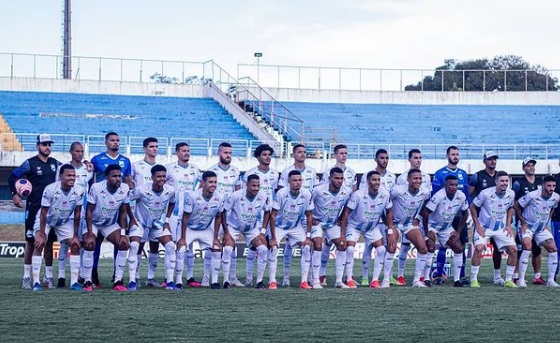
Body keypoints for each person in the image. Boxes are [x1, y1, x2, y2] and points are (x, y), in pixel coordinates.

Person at [7, 134, 62, 289]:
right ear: (37, 145)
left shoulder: (55, 164)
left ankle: (48, 277)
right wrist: (15, 194)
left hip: (50, 211)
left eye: (49, 144)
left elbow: (69, 169)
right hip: (33, 209)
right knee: (31, 243)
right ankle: (26, 277)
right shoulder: (29, 163)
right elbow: (12, 177)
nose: (47, 147)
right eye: (44, 144)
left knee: (49, 243)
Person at [89, 131, 132, 288]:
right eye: (112, 140)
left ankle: (117, 275)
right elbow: (88, 178)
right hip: (97, 207)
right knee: (94, 244)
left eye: (117, 140)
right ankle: (91, 275)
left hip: (114, 209)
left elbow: (128, 180)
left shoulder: (125, 161)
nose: (115, 142)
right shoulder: (96, 159)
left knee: (119, 242)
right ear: (106, 142)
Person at [31, 164, 84, 291]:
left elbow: (77, 214)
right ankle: (36, 282)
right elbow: (43, 213)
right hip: (47, 220)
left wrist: (76, 235)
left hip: (63, 221)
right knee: (40, 243)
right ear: (61, 176)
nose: (72, 178)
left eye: (74, 176)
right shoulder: (50, 189)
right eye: (69, 175)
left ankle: (74, 282)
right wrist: (42, 233)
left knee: (75, 244)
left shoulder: (79, 190)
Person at [341, 170, 398, 289]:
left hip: (371, 227)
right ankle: (349, 278)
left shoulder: (385, 194)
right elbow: (346, 213)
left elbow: (389, 212)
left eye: (378, 180)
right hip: (354, 226)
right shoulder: (358, 194)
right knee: (350, 249)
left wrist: (390, 230)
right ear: (368, 181)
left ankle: (375, 280)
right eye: (374, 180)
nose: (376, 182)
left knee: (382, 250)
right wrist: (342, 233)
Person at [128, 164, 177, 290]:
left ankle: (168, 281)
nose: (161, 179)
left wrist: (166, 220)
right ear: (152, 177)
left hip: (157, 223)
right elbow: (125, 200)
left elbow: (172, 202)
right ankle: (133, 280)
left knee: (171, 246)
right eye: (159, 176)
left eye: (163, 176)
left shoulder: (170, 190)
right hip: (140, 222)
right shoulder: (141, 190)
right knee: (134, 246)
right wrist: (132, 219)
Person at [82, 164, 131, 292]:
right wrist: (91, 232)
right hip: (93, 222)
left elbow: (123, 212)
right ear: (106, 178)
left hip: (109, 223)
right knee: (90, 243)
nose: (118, 179)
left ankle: (118, 281)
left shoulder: (125, 188)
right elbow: (89, 211)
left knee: (123, 243)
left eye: (119, 176)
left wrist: (123, 232)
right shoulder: (96, 187)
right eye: (114, 176)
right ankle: (87, 280)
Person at [176, 171, 226, 289]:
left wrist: (215, 238)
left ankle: (214, 282)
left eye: (215, 182)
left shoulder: (219, 197)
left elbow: (219, 216)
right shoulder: (193, 196)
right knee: (181, 249)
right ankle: (178, 281)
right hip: (189, 228)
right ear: (203, 183)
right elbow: (185, 217)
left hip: (205, 229)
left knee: (217, 248)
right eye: (210, 182)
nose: (213, 185)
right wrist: (182, 238)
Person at [278, 144, 319, 287]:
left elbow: (314, 193)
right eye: (299, 152)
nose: (302, 154)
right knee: (288, 246)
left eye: (304, 152)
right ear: (293, 154)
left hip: (304, 212)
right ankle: (285, 277)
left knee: (308, 245)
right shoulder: (286, 171)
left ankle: (308, 278)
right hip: (288, 214)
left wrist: (311, 214)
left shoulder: (312, 172)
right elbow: (282, 193)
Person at [221, 174, 271, 289]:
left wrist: (263, 231)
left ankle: (259, 282)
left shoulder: (263, 196)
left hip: (251, 229)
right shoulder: (235, 196)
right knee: (228, 249)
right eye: (253, 185)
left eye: (258, 186)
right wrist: (226, 232)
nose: (256, 188)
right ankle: (226, 281)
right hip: (233, 227)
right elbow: (223, 211)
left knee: (263, 249)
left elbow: (267, 211)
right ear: (246, 185)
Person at [469, 171, 518, 288]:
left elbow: (510, 208)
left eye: (506, 181)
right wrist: (478, 226)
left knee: (513, 249)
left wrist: (508, 225)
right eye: (502, 181)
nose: (504, 183)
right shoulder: (485, 193)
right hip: (485, 228)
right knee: (479, 248)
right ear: (496, 181)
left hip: (500, 228)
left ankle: (508, 280)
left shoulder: (511, 194)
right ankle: (473, 279)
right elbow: (473, 207)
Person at [358, 149, 398, 286]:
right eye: (382, 158)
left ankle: (389, 276)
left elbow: (391, 198)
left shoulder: (392, 177)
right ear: (376, 159)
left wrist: (390, 222)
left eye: (387, 158)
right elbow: (364, 195)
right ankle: (364, 277)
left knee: (388, 246)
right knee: (369, 247)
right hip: (372, 218)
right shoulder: (367, 176)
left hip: (385, 218)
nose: (384, 160)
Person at [268, 170, 314, 290]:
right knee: (273, 248)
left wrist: (308, 237)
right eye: (294, 180)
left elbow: (309, 215)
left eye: (300, 180)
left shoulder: (307, 194)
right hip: (279, 226)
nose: (297, 183)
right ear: (288, 182)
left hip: (295, 226)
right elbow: (272, 216)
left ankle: (304, 281)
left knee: (307, 247)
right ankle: (272, 281)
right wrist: (273, 238)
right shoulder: (281, 193)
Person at [166, 142, 203, 288]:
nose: (186, 153)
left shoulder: (195, 169)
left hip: (189, 212)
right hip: (174, 212)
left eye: (188, 151)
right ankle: (168, 277)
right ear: (177, 153)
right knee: (174, 245)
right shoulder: (170, 168)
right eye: (183, 151)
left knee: (189, 246)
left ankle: (190, 277)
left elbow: (203, 182)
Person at [431, 146, 470, 284]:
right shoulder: (439, 173)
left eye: (457, 154)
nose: (455, 156)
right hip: (444, 215)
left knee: (461, 243)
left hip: (459, 214)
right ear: (447, 156)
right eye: (453, 154)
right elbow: (434, 195)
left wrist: (468, 213)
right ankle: (439, 275)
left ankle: (461, 275)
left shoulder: (463, 174)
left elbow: (466, 194)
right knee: (443, 244)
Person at [421, 175, 469, 287]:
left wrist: (457, 232)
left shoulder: (461, 196)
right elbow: (425, 213)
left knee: (458, 248)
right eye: (451, 185)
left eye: (456, 185)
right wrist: (427, 231)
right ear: (445, 185)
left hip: (446, 228)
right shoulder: (439, 196)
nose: (454, 187)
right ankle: (426, 278)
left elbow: (465, 213)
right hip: (431, 226)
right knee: (431, 247)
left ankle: (457, 280)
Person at [206, 142, 243, 287]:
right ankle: (206, 277)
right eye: (225, 152)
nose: (228, 155)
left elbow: (239, 193)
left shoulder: (235, 171)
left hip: (230, 214)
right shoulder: (212, 171)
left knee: (230, 245)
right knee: (212, 245)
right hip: (215, 213)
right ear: (218, 153)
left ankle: (232, 277)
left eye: (230, 153)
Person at [242, 144, 279, 286]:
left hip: (269, 214)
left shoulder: (275, 174)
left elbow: (275, 193)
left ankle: (270, 279)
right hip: (254, 214)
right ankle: (250, 278)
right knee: (254, 246)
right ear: (258, 157)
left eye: (269, 154)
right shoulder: (250, 173)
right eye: (264, 154)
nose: (267, 157)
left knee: (270, 246)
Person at [394, 149, 432, 286]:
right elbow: (397, 199)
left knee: (422, 246)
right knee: (404, 246)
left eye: (420, 158)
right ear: (409, 160)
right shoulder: (402, 178)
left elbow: (425, 199)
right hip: (400, 219)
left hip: (416, 218)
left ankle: (420, 278)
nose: (418, 160)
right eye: (415, 158)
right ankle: (400, 275)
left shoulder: (426, 177)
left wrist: (418, 215)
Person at [513, 175, 559, 287]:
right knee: (527, 247)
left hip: (541, 228)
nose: (551, 188)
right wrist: (523, 222)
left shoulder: (556, 197)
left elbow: (552, 208)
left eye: (553, 186)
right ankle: (521, 280)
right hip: (527, 227)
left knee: (553, 248)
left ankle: (551, 280)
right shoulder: (532, 196)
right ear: (543, 186)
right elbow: (516, 206)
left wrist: (546, 222)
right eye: (549, 186)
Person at [311, 167, 352, 288]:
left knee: (342, 245)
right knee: (318, 245)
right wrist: (310, 218)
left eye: (341, 178)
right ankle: (316, 281)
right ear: (329, 178)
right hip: (317, 222)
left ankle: (339, 281)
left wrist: (341, 221)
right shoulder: (318, 190)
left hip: (332, 224)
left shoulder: (347, 191)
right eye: (336, 178)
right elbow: (306, 203)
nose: (339, 181)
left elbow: (346, 209)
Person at [131, 137, 163, 288]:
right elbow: (129, 183)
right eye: (151, 146)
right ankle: (135, 276)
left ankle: (151, 277)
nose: (154, 149)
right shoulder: (136, 166)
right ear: (144, 148)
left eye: (156, 146)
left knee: (155, 245)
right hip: (140, 212)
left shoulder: (162, 167)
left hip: (156, 213)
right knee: (139, 245)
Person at [469, 151, 505, 285]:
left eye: (495, 159)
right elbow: (469, 195)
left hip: (497, 220)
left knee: (498, 249)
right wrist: (474, 217)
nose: (493, 161)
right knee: (479, 248)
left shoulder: (501, 176)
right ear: (484, 161)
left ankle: (497, 277)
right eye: (490, 159)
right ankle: (473, 278)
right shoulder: (477, 176)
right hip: (482, 220)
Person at [512, 157, 544, 285]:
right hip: (523, 222)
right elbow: (513, 202)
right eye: (528, 165)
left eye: (532, 165)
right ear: (523, 168)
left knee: (537, 249)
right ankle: (515, 275)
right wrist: (519, 220)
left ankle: (537, 276)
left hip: (538, 222)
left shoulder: (540, 183)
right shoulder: (518, 183)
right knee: (521, 249)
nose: (531, 167)